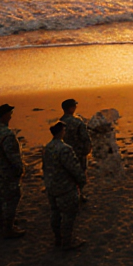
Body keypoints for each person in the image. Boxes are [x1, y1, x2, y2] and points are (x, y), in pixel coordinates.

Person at [42, 121, 86, 250]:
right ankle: (67, 241)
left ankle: (58, 239)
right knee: (68, 215)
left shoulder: (47, 147)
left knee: (55, 213)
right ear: (61, 132)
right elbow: (74, 168)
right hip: (65, 187)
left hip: (51, 186)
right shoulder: (64, 149)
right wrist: (81, 180)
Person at [0, 104, 25, 238]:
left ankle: (0, 217)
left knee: (3, 194)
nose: (11, 115)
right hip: (7, 171)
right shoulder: (7, 134)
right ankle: (8, 227)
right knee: (12, 197)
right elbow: (13, 157)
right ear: (5, 115)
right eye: (9, 113)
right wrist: (20, 169)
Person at [59, 99, 92, 200]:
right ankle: (80, 194)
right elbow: (85, 137)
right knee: (80, 173)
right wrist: (87, 149)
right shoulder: (77, 122)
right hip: (78, 151)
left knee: (67, 173)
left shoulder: (60, 121)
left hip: (64, 152)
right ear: (71, 108)